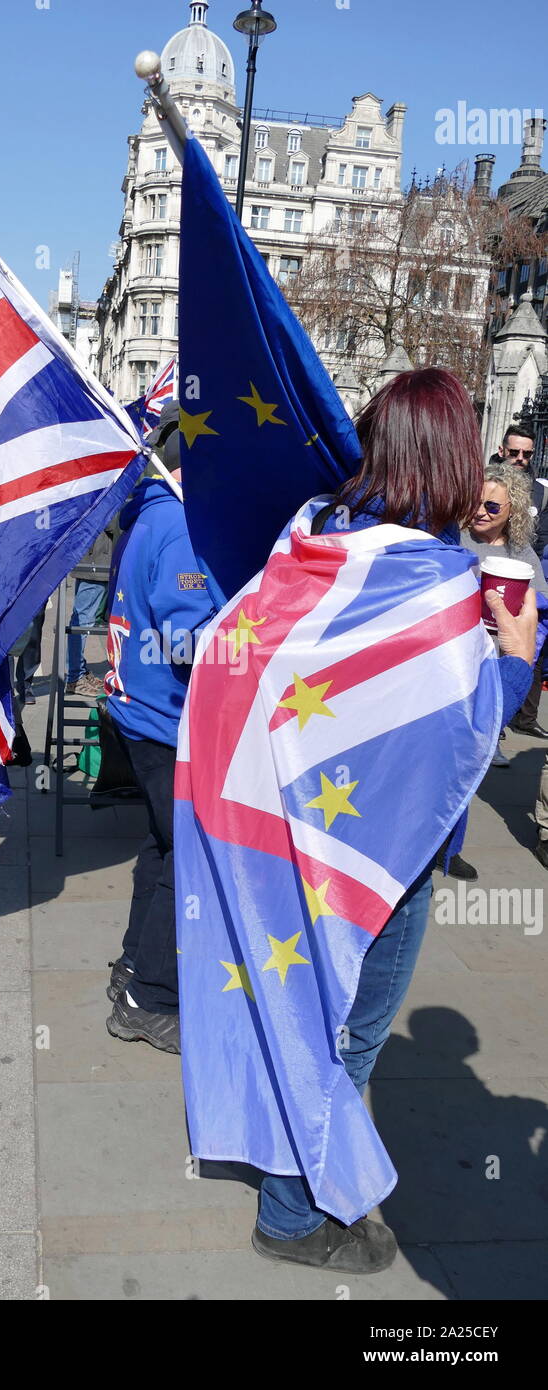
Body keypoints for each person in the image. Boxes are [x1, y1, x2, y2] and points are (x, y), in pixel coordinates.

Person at [251, 369, 536, 1272]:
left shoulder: (318, 540)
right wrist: (518, 659)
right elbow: (465, 731)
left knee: (309, 1008)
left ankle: (291, 1172)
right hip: (392, 852)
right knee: (352, 1032)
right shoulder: (435, 575)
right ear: (450, 457)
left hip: (301, 825)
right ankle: (293, 1214)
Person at [104, 401, 216, 1054]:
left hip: (135, 714)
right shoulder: (177, 524)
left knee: (160, 845)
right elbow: (186, 640)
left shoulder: (147, 514)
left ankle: (130, 966)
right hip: (164, 723)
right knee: (190, 855)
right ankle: (149, 998)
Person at [462, 459, 547, 771]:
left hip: (500, 647)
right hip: (460, 642)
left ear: (513, 509)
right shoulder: (455, 539)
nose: (481, 511)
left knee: (492, 700)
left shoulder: (520, 551)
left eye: (492, 507)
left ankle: (491, 740)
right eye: (476, 502)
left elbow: (540, 596)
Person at [492, 424, 548, 737]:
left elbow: (543, 533)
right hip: (492, 566)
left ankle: (523, 718)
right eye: (514, 452)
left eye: (526, 453)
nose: (520, 458)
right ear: (502, 451)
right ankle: (492, 718)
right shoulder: (484, 480)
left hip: (525, 570)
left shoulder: (540, 489)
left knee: (529, 642)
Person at [66, 533, 112, 699]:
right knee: (81, 622)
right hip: (96, 562)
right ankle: (74, 678)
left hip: (97, 559)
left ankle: (78, 672)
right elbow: (113, 520)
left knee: (82, 620)